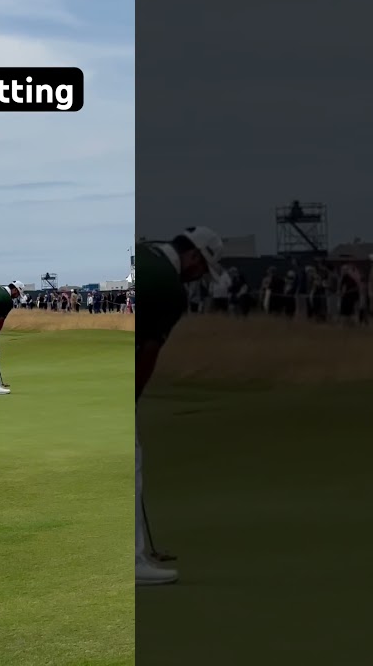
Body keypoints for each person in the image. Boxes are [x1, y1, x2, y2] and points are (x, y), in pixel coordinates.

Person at [136, 226, 225, 587]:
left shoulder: (141, 252)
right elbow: (147, 353)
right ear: (193, 257)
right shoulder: (170, 291)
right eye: (202, 268)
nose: (199, 276)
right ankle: (132, 560)